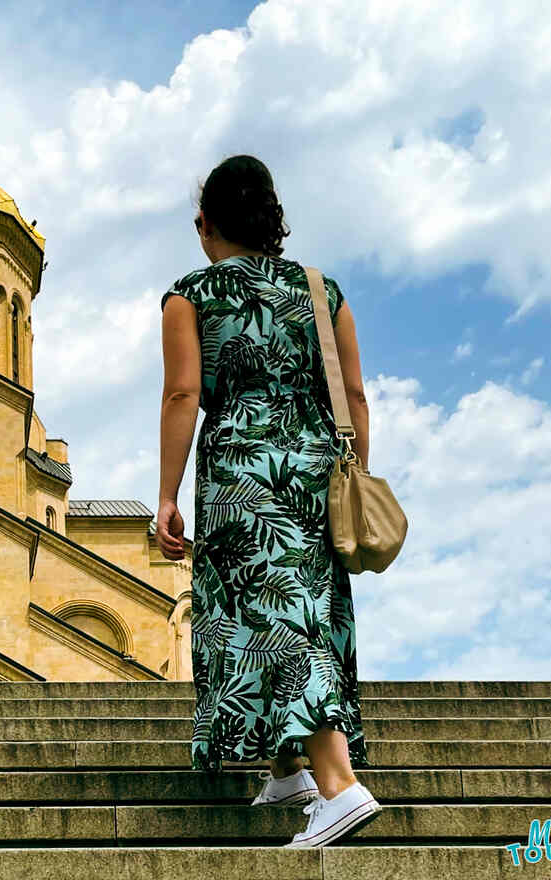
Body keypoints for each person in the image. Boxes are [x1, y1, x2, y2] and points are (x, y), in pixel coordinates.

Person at [156, 154, 381, 849]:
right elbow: (357, 398)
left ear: (207, 223)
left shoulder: (190, 295)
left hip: (241, 478)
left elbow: (183, 395)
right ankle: (289, 769)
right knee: (299, 610)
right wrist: (352, 481)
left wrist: (166, 494)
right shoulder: (323, 291)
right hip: (314, 473)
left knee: (273, 621)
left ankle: (338, 784)